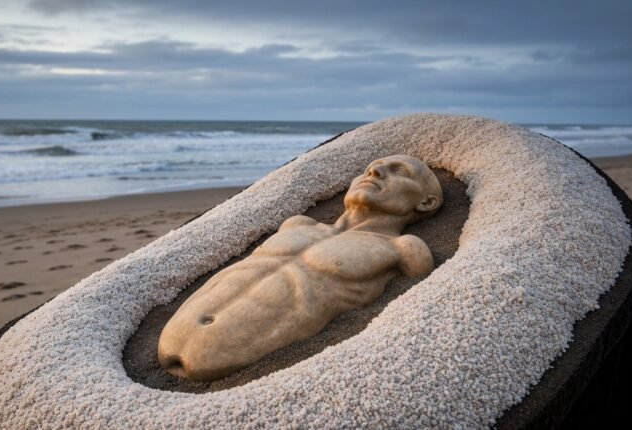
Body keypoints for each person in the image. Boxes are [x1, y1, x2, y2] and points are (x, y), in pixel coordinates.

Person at [158, 155, 444, 382]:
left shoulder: (404, 249)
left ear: (427, 202)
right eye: (370, 168)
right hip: (176, 334)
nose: (375, 172)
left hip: (232, 351)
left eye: (399, 171)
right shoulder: (298, 224)